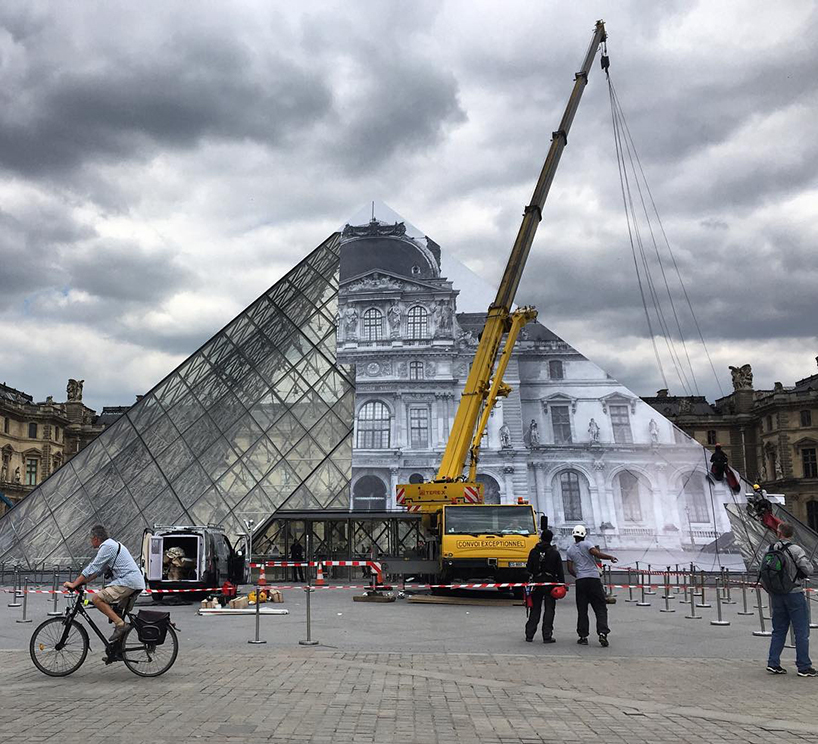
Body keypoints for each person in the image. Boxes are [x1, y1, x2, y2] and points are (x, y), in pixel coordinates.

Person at [62, 524, 145, 642]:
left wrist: (74, 584)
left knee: (97, 599)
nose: (90, 542)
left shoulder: (107, 546)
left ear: (96, 538)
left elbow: (92, 567)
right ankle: (117, 650)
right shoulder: (113, 545)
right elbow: (98, 572)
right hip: (133, 582)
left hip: (128, 582)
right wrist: (82, 582)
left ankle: (120, 624)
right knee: (117, 612)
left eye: (91, 539)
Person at [765, 522, 817, 676]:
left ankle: (773, 663)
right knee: (801, 631)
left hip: (776, 593)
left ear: (779, 533)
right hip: (794, 592)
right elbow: (807, 569)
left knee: (779, 629)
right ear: (791, 534)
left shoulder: (769, 548)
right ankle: (803, 666)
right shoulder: (796, 550)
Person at [566, 524, 618, 647]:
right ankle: (602, 633)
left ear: (574, 535)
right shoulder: (587, 544)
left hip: (581, 581)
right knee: (600, 607)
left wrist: (579, 575)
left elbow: (570, 569)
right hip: (594, 580)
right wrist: (609, 557)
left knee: (582, 609)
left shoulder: (570, 550)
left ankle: (583, 636)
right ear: (584, 534)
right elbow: (596, 554)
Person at [525, 529, 565, 643]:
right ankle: (547, 635)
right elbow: (560, 571)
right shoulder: (554, 553)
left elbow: (528, 569)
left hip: (536, 583)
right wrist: (562, 584)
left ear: (541, 538)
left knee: (535, 609)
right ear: (551, 539)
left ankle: (529, 634)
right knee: (549, 609)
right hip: (550, 584)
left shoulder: (533, 552)